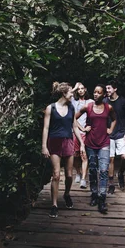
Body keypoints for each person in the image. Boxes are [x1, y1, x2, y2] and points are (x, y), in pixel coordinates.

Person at [41, 82, 86, 218]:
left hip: (68, 142)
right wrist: (44, 146)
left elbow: (74, 127)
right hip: (54, 142)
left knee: (69, 175)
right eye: (71, 93)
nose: (73, 94)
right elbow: (46, 128)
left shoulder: (71, 107)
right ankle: (54, 204)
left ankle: (66, 194)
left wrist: (82, 143)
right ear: (64, 94)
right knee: (56, 174)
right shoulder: (51, 108)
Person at [75, 85, 116, 214]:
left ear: (104, 95)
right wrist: (82, 128)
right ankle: (94, 194)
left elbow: (114, 119)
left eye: (99, 92)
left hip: (104, 142)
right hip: (90, 143)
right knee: (92, 170)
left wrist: (110, 129)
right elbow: (73, 117)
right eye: (94, 92)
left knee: (103, 170)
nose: (96, 94)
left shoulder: (108, 107)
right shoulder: (88, 107)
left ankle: (102, 198)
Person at [105, 81, 125, 193]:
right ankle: (111, 184)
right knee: (110, 158)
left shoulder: (123, 101)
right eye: (106, 88)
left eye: (109, 88)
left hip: (121, 133)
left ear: (115, 89)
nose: (107, 90)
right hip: (109, 134)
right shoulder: (104, 101)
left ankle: (120, 173)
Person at [72, 82, 93, 189]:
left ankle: (84, 179)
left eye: (82, 88)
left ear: (85, 89)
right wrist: (75, 87)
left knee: (84, 155)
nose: (80, 90)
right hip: (75, 132)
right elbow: (73, 118)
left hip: (87, 133)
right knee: (75, 155)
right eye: (78, 89)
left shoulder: (91, 102)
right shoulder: (73, 101)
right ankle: (78, 173)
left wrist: (89, 127)